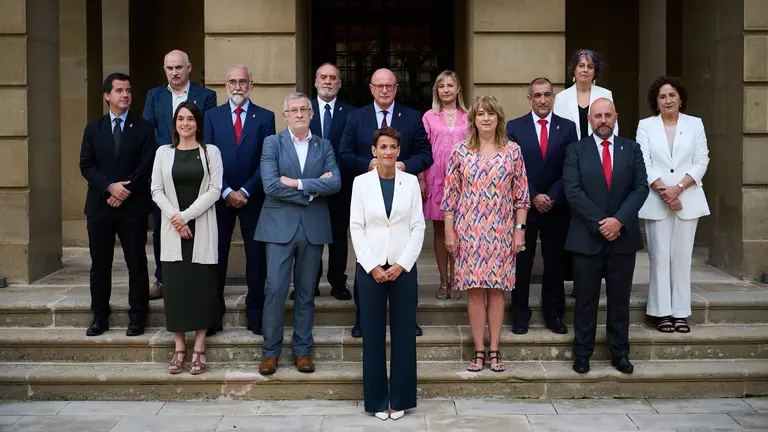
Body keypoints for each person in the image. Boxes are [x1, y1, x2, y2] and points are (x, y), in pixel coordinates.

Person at [339, 68, 433, 338]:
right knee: (369, 250)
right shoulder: (356, 117)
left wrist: (403, 164)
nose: (384, 90)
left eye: (389, 86)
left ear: (396, 88)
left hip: (401, 189)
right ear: (371, 88)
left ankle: (407, 318)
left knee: (403, 248)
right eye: (379, 86)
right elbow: (344, 154)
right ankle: (363, 318)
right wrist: (369, 164)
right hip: (368, 192)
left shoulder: (412, 117)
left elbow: (426, 154)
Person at [442, 95, 530, 373]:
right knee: (474, 293)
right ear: (474, 119)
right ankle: (478, 349)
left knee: (497, 292)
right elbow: (449, 198)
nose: (486, 118)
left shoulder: (512, 151)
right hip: (468, 232)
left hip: (502, 231)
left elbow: (522, 197)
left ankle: (495, 349)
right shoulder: (460, 152)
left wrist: (520, 231)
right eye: (481, 114)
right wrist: (449, 232)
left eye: (491, 113)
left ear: (499, 117)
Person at [255, 93, 341, 375]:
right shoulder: (272, 143)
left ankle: (303, 350)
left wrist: (296, 183)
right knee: (275, 290)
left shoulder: (324, 144)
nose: (300, 114)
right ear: (285, 115)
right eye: (294, 110)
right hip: (279, 227)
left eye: (304, 109)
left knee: (306, 293)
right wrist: (312, 190)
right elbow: (270, 186)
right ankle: (271, 352)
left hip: (313, 229)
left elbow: (336, 182)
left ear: (312, 114)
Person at [563, 98, 649, 375]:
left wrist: (619, 221)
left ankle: (620, 353)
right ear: (589, 119)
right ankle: (582, 353)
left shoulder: (632, 149)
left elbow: (640, 188)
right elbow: (573, 191)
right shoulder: (576, 150)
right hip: (587, 237)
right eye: (597, 115)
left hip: (622, 239)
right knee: (585, 300)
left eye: (607, 115)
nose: (603, 120)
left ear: (615, 117)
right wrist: (602, 223)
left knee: (619, 300)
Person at [350, 127, 425, 421]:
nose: (388, 152)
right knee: (372, 335)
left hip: (403, 267)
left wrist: (402, 263)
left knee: (405, 335)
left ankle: (402, 397)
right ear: (374, 151)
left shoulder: (409, 183)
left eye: (393, 147)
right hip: (370, 268)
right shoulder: (361, 183)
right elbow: (356, 226)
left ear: (399, 151)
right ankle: (378, 399)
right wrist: (371, 265)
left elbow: (418, 226)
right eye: (383, 147)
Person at [79, 73, 155, 337]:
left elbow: (147, 164)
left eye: (129, 90)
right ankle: (99, 316)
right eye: (120, 90)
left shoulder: (144, 128)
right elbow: (86, 165)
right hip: (100, 207)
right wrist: (110, 187)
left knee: (136, 263)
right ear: (107, 96)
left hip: (132, 208)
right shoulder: (93, 128)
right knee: (100, 264)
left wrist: (126, 190)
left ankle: (138, 316)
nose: (125, 95)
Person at [150, 102, 223, 375]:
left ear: (198, 123)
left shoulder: (210, 152)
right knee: (177, 291)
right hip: (172, 230)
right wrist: (176, 218)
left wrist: (188, 216)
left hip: (201, 228)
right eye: (180, 118)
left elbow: (215, 189)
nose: (185, 123)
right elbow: (156, 190)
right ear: (175, 123)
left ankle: (200, 347)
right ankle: (179, 348)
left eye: (190, 119)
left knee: (202, 289)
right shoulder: (163, 153)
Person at [204, 65, 276, 336]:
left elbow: (267, 160)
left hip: (253, 199)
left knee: (257, 259)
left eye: (243, 81)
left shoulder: (265, 117)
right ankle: (213, 314)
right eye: (232, 81)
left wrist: (245, 191)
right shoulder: (212, 116)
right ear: (225, 85)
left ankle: (255, 314)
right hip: (218, 198)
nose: (238, 86)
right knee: (216, 257)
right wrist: (224, 191)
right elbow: (207, 157)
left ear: (251, 85)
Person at [506, 77, 578, 335]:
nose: (542, 100)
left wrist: (552, 196)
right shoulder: (514, 128)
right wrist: (533, 195)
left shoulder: (568, 128)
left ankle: (554, 314)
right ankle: (520, 315)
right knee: (522, 263)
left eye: (547, 94)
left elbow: (571, 167)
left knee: (555, 262)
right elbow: (514, 169)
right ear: (529, 99)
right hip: (524, 205)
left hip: (557, 207)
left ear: (553, 97)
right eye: (537, 95)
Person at [637, 76, 710, 334]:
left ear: (680, 99)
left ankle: (680, 313)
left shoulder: (695, 124)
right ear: (656, 103)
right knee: (659, 257)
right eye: (662, 96)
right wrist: (664, 191)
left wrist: (678, 188)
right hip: (657, 200)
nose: (667, 100)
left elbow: (702, 160)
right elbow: (643, 160)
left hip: (687, 198)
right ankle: (661, 312)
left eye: (672, 95)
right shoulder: (645, 126)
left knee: (682, 258)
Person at [143, 49, 217, 301]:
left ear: (189, 68)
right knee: (162, 225)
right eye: (169, 68)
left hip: (195, 165)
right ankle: (162, 278)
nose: (174, 72)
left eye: (178, 67)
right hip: (165, 167)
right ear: (165, 70)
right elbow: (148, 130)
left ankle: (196, 275)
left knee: (199, 226)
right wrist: (170, 152)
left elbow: (207, 128)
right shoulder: (154, 95)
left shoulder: (206, 96)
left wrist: (185, 146)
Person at [303, 63, 356, 301]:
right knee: (309, 237)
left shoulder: (352, 113)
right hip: (310, 185)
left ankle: (338, 282)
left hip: (341, 185)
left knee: (338, 236)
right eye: (322, 77)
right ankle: (309, 283)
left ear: (339, 83)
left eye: (332, 78)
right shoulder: (304, 110)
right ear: (315, 82)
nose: (327, 81)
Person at [421, 70, 468, 300]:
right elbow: (422, 148)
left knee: (459, 231)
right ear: (436, 91)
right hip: (436, 178)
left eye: (451, 85)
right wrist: (421, 178)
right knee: (440, 231)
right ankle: (443, 280)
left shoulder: (468, 116)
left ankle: (458, 279)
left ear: (458, 88)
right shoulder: (429, 116)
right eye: (442, 86)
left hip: (464, 181)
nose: (446, 89)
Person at [554, 49, 619, 141]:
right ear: (574, 69)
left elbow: (613, 127)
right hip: (569, 151)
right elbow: (558, 131)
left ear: (595, 72)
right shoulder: (561, 97)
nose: (585, 70)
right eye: (581, 66)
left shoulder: (605, 94)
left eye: (590, 67)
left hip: (598, 150)